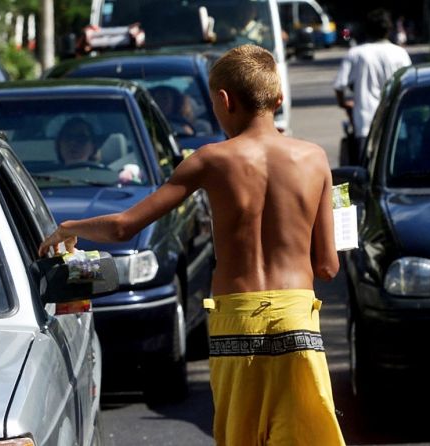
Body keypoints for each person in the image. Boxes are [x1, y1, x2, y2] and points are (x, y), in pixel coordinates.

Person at [39, 44, 345, 446]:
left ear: (223, 99)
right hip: (297, 321)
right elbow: (327, 266)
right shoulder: (315, 158)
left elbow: (124, 228)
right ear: (279, 98)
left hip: (237, 321)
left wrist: (70, 227)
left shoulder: (210, 160)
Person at [334, 8, 411, 164]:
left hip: (365, 124)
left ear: (367, 30)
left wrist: (344, 103)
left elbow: (339, 85)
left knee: (363, 170)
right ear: (389, 30)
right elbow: (409, 86)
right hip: (396, 126)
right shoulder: (400, 54)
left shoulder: (356, 54)